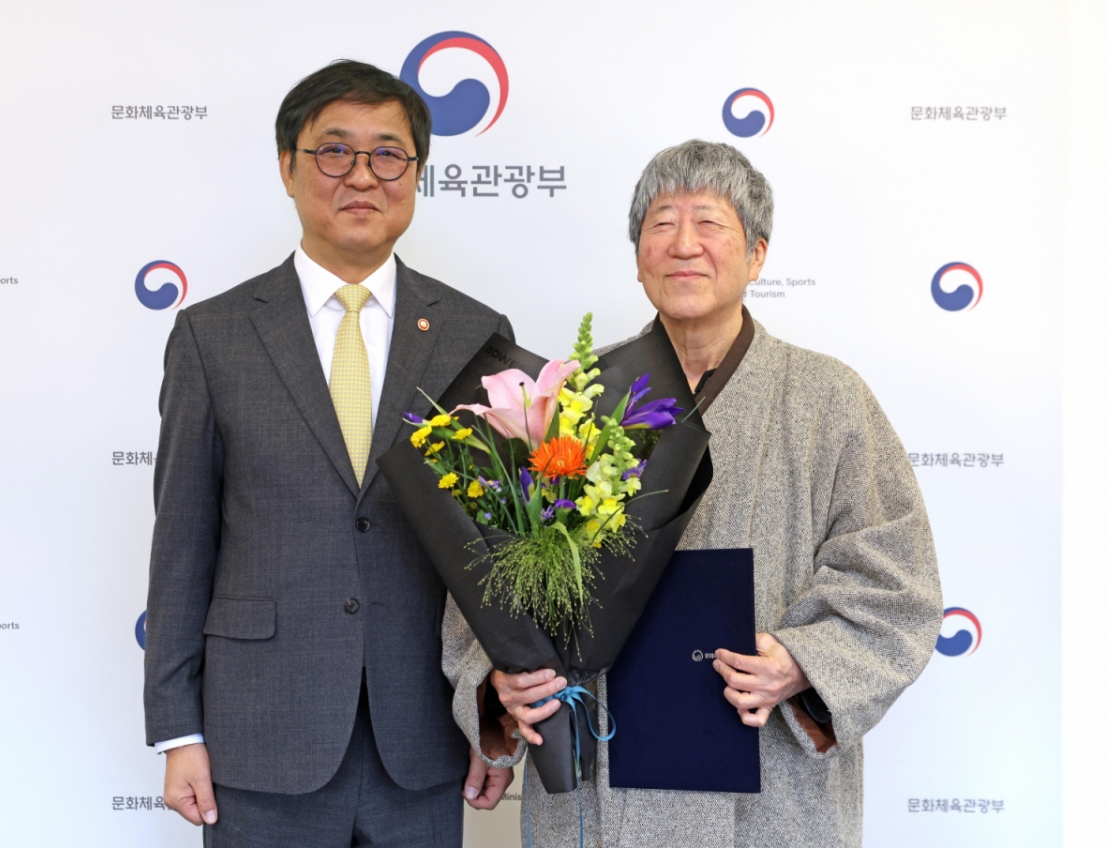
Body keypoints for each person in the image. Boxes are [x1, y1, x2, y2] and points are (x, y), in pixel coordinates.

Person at [444, 140, 943, 847]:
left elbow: (898, 584)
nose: (683, 244)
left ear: (757, 255)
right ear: (638, 256)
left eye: (709, 223)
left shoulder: (829, 399)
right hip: (601, 786)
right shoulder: (567, 398)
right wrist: (500, 678)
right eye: (661, 223)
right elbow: (488, 577)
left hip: (769, 791)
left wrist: (800, 662)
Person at [144, 60, 516, 848]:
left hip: (423, 735)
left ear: (416, 173)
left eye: (388, 154)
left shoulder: (473, 334)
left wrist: (491, 715)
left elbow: (498, 551)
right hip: (259, 736)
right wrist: (178, 729)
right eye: (335, 151)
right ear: (289, 167)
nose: (363, 175)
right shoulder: (214, 337)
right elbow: (181, 542)